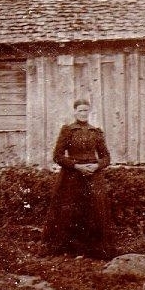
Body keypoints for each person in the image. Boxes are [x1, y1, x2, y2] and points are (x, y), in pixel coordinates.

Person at [42, 99, 116, 259]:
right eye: (80, 110)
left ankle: (94, 250)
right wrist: (76, 166)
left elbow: (106, 157)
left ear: (89, 112)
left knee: (95, 211)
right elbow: (57, 156)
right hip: (72, 177)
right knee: (71, 211)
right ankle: (70, 249)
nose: (83, 113)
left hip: (93, 176)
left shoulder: (96, 132)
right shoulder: (68, 131)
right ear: (75, 112)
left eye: (86, 110)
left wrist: (96, 166)